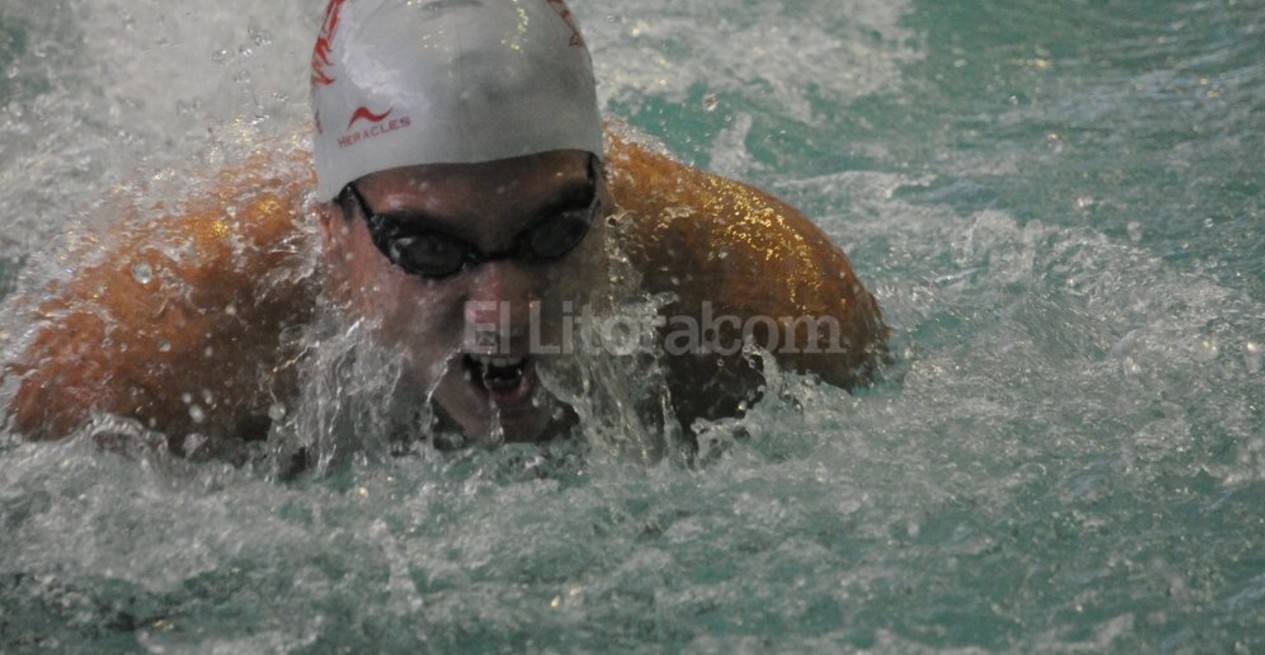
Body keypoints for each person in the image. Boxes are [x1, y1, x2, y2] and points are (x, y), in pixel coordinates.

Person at [2, 0, 888, 463]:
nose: (502, 309)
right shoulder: (144, 360)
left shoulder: (767, 304)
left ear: (604, 198)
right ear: (329, 234)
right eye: (430, 250)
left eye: (552, 233)